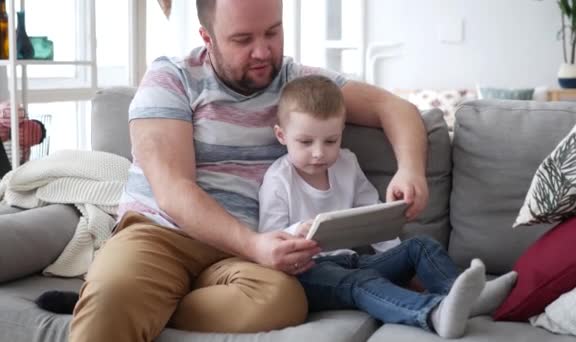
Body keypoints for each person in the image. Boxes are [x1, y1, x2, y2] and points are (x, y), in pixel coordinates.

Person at [69, 0, 432, 341]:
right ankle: (141, 298)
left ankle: (154, 304)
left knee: (283, 299)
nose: (262, 52)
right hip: (162, 236)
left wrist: (410, 171)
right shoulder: (172, 78)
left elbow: (393, 107)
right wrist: (255, 245)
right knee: (113, 296)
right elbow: (174, 190)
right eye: (243, 39)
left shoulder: (298, 84)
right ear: (207, 39)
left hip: (242, 253)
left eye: (272, 33)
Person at [258, 75, 518, 339]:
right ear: (282, 135)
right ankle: (432, 313)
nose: (319, 153)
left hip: (352, 261)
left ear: (341, 135)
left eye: (330, 141)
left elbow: (373, 218)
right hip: (308, 273)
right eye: (305, 142)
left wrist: (400, 260)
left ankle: (466, 299)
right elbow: (269, 237)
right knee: (361, 283)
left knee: (420, 246)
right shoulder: (278, 179)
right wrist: (295, 233)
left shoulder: (347, 163)